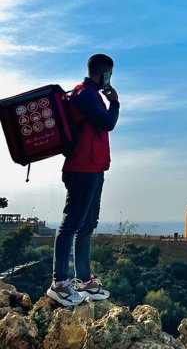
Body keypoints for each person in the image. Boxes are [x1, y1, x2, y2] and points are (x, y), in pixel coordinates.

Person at [46, 54, 120, 306]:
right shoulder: (85, 95)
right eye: (110, 73)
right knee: (71, 224)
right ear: (105, 72)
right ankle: (59, 283)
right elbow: (108, 123)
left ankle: (84, 279)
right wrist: (116, 103)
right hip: (81, 168)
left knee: (87, 224)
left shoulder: (90, 95)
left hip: (93, 168)